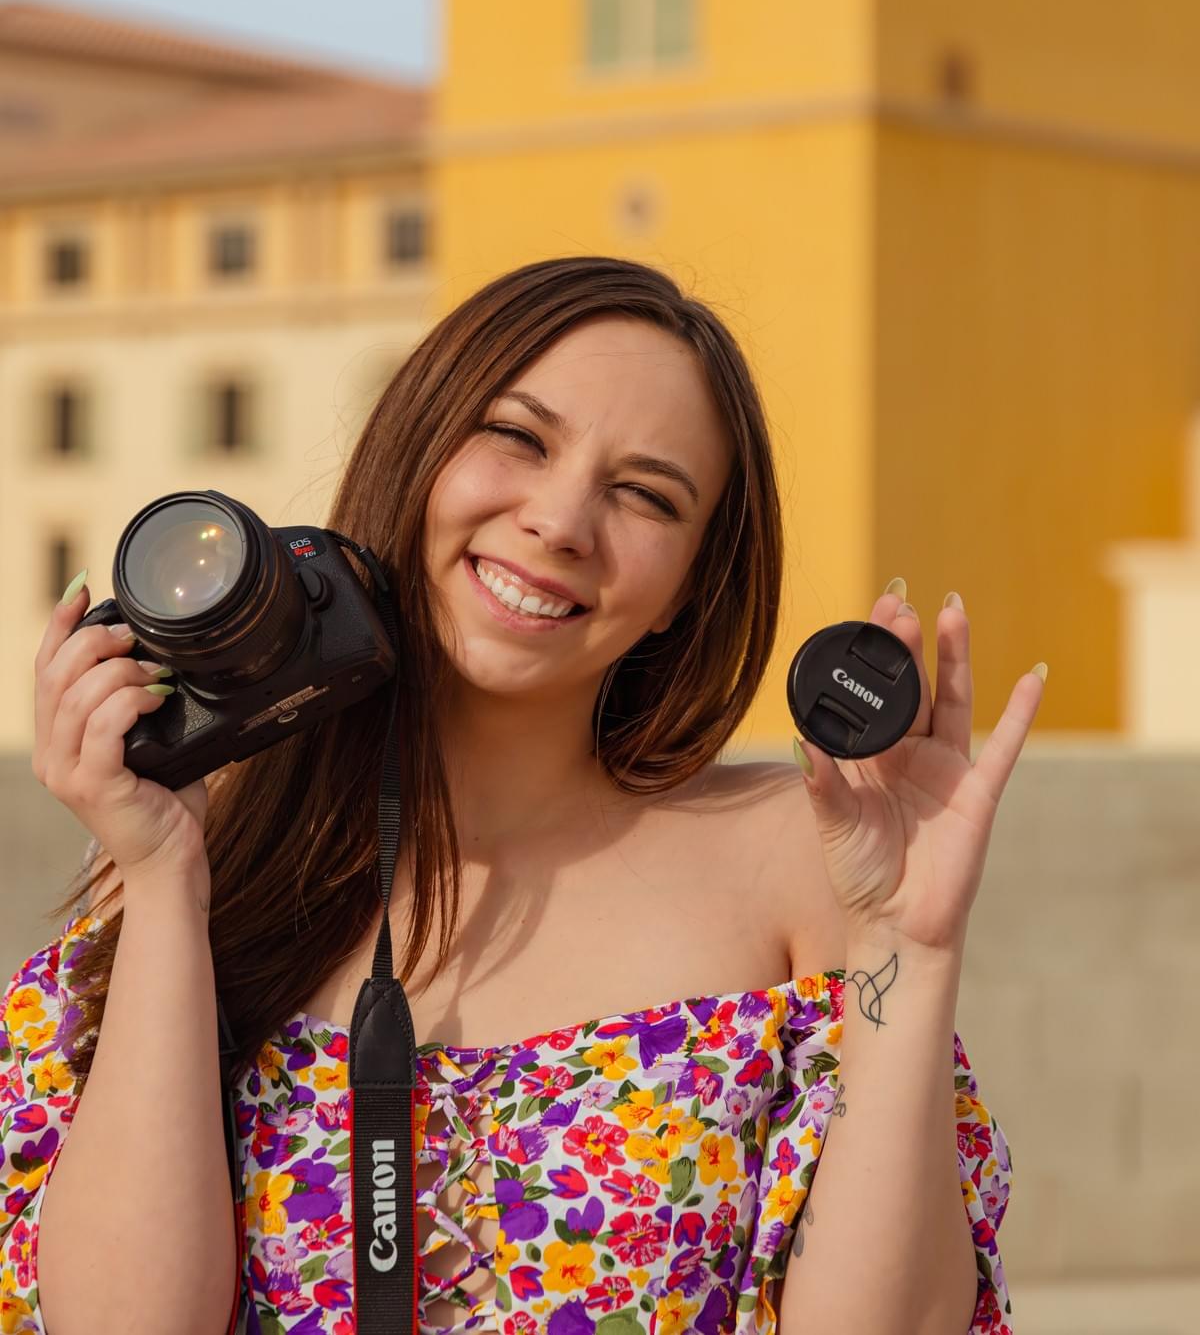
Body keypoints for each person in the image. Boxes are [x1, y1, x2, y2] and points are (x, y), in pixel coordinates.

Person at [0, 256, 1032, 1335]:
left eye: (646, 495)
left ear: (686, 590)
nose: (561, 520)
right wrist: (166, 877)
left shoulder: (791, 861)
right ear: (420, 448)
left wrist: (911, 949)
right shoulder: (204, 857)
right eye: (519, 438)